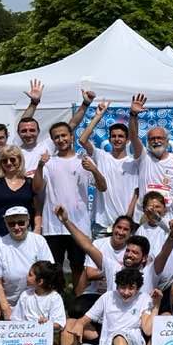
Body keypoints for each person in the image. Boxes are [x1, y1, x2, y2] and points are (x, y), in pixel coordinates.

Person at [32, 122, 107, 289]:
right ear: (52, 140)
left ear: (71, 136)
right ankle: (56, 301)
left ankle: (78, 302)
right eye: (56, 137)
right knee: (53, 269)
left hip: (79, 225)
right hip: (53, 227)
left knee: (78, 267)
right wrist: (40, 166)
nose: (61, 139)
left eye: (64, 135)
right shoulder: (48, 162)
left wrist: (94, 170)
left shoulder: (84, 160)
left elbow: (103, 187)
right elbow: (36, 188)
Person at [78, 101, 139, 235]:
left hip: (126, 224)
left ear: (127, 140)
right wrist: (98, 116)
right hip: (102, 224)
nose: (117, 139)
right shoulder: (101, 156)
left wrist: (128, 217)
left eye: (121, 136)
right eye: (114, 136)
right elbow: (82, 140)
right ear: (109, 139)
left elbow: (136, 193)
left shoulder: (133, 163)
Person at [0, 206, 54, 318]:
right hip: (10, 304)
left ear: (28, 222)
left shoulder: (39, 241)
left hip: (37, 302)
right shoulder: (0, 245)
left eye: (21, 223)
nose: (17, 227)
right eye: (11, 224)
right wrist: (5, 308)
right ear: (6, 224)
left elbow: (49, 273)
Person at [128, 92, 173, 209]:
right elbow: (133, 136)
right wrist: (133, 115)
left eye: (160, 138)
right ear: (148, 142)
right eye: (152, 139)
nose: (156, 141)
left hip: (168, 215)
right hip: (144, 214)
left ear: (167, 141)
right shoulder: (143, 156)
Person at [0, 145, 37, 236]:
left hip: (26, 235)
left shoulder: (30, 183)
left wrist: (37, 229)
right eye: (4, 160)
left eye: (12, 159)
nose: (9, 163)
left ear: (20, 160)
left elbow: (38, 210)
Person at [9, 261, 67, 345]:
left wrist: (47, 323)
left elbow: (59, 323)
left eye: (30, 275)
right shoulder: (25, 295)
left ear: (40, 281)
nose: (27, 276)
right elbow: (16, 318)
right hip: (24, 337)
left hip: (44, 339)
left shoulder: (54, 298)